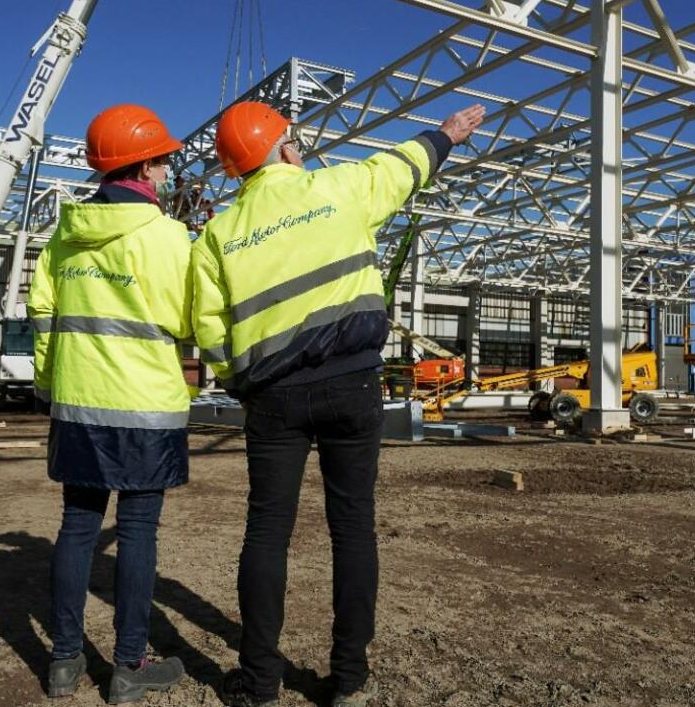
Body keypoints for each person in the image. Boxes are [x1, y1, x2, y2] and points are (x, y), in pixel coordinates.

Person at [192, 100, 485, 707]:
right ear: (288, 148)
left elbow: (210, 332)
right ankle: (348, 677)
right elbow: (402, 167)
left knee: (267, 531)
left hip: (273, 397)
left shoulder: (216, 236)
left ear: (236, 172)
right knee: (352, 528)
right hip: (353, 384)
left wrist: (240, 382)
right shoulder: (339, 188)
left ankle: (260, 682)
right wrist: (446, 135)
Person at [28, 103, 193, 704]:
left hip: (78, 406)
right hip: (145, 408)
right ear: (144, 166)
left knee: (77, 526)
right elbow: (188, 317)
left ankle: (64, 664)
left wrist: (53, 385)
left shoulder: (62, 241)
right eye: (166, 160)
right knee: (139, 530)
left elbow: (43, 320)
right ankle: (128, 667)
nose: (170, 170)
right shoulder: (170, 239)